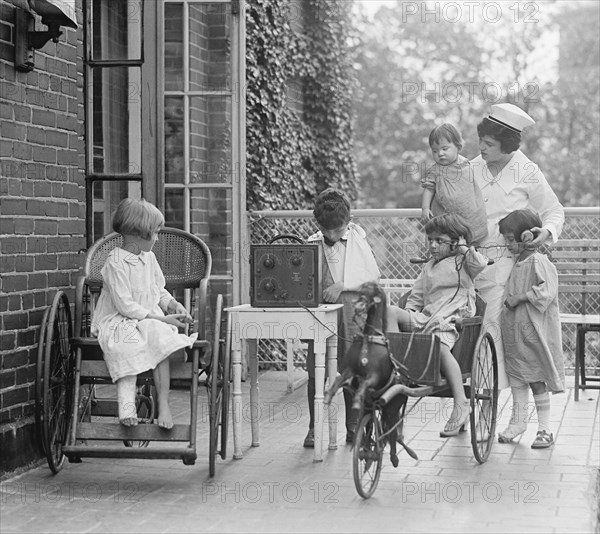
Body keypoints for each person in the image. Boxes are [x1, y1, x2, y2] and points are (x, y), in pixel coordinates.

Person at [471, 103, 565, 393]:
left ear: (507, 146)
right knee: (465, 331)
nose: (482, 149)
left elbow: (554, 211)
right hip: (470, 263)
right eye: (481, 142)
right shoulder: (471, 168)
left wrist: (544, 233)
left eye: (489, 144)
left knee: (492, 330)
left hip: (507, 267)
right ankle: (468, 401)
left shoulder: (527, 171)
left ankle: (487, 396)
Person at [91, 198, 197, 429]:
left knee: (159, 337)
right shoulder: (115, 263)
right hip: (119, 320)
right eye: (156, 233)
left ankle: (164, 403)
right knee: (125, 345)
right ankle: (126, 405)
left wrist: (172, 305)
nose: (158, 238)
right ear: (140, 234)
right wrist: (160, 317)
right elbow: (125, 307)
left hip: (148, 319)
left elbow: (159, 290)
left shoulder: (149, 258)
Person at [386, 214, 488, 437]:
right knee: (390, 311)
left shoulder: (464, 261)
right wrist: (411, 314)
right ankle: (397, 365)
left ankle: (461, 402)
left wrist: (463, 248)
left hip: (452, 317)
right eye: (429, 239)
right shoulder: (429, 266)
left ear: (454, 241)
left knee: (439, 345)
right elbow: (417, 295)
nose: (432, 245)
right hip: (426, 317)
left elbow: (480, 264)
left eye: (439, 240)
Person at [303, 188, 381, 448]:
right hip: (323, 314)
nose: (333, 236)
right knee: (316, 368)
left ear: (348, 223)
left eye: (338, 231)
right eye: (328, 232)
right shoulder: (313, 242)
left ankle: (354, 426)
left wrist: (343, 284)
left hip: (350, 312)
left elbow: (370, 274)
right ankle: (315, 427)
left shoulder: (357, 240)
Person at [497, 209, 565, 448]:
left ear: (526, 237)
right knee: (517, 377)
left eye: (508, 238)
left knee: (536, 378)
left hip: (534, 332)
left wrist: (520, 298)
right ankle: (518, 422)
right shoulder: (518, 262)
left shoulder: (539, 261)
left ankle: (545, 429)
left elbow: (547, 291)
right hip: (517, 333)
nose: (506, 244)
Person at [421, 123, 488, 246]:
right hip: (447, 216)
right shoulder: (435, 170)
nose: (440, 153)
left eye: (444, 149)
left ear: (458, 146)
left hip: (469, 214)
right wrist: (425, 208)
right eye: (435, 150)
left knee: (471, 247)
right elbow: (429, 189)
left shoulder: (466, 165)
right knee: (449, 244)